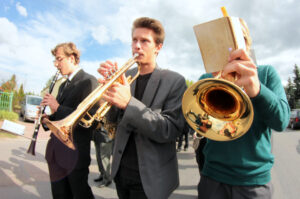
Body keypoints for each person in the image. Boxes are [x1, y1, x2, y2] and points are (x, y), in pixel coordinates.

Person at [196, 18, 290, 199]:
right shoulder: (206, 78)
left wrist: (258, 90)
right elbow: (196, 122)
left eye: (232, 41)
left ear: (245, 43)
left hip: (253, 183)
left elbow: (282, 121)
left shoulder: (266, 73)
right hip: (212, 178)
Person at [98, 17, 187, 199]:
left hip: (151, 178)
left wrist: (128, 103)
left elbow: (169, 130)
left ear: (158, 47)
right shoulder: (124, 76)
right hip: (121, 172)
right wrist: (106, 97)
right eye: (134, 40)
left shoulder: (174, 81)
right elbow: (113, 122)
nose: (137, 46)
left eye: (145, 41)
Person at [40, 42, 98, 199]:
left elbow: (90, 121)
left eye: (59, 59)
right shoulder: (64, 84)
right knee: (59, 195)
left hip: (75, 154)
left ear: (72, 58)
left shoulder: (89, 81)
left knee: (79, 194)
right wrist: (47, 119)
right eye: (55, 60)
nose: (56, 64)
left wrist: (57, 107)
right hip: (56, 153)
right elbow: (60, 118)